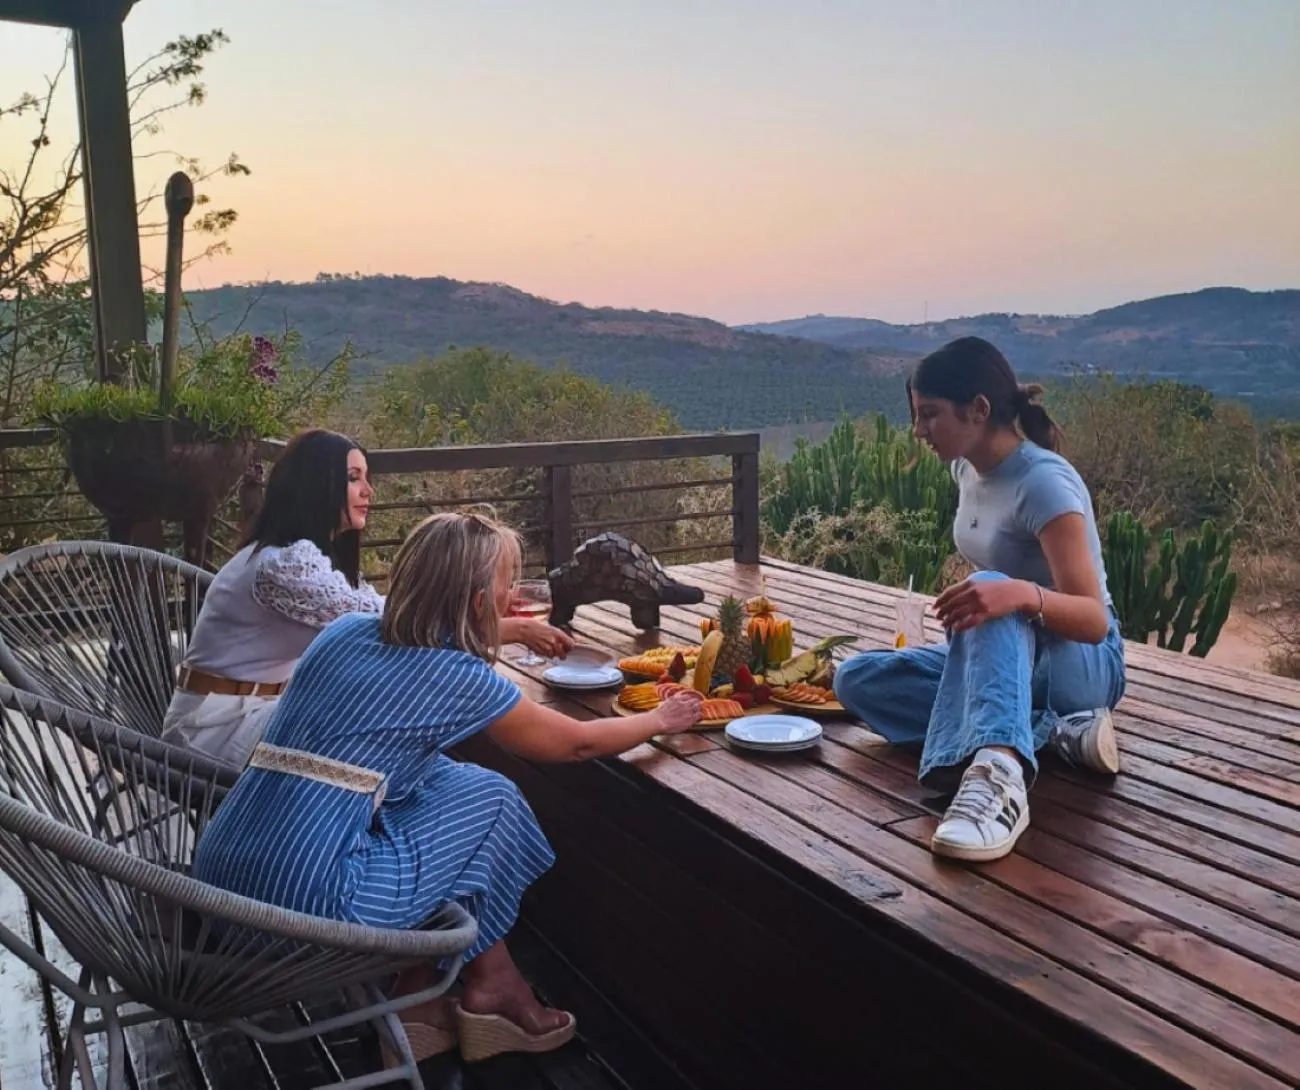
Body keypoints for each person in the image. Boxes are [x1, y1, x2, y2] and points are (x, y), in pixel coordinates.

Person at [190, 510, 705, 1063]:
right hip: (310, 912)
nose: (513, 598)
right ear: (481, 602)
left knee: (440, 781)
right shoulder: (457, 677)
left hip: (221, 884)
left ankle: (423, 1000)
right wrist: (660, 720)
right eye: (507, 586)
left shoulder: (341, 634)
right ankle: (490, 992)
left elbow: (412, 663)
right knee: (492, 799)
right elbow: (573, 744)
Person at [833, 337, 1125, 864]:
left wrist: (1017, 593)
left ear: (979, 409)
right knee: (858, 681)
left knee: (996, 597)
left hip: (1082, 661)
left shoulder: (1044, 484)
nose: (918, 430)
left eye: (929, 415)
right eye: (915, 414)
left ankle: (999, 781)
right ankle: (1053, 732)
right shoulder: (965, 467)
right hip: (1010, 654)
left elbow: (1094, 620)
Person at [162, 429, 569, 768]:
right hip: (213, 731)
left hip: (253, 712)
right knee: (387, 734)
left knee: (389, 720)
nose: (369, 490)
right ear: (318, 484)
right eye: (355, 478)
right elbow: (393, 625)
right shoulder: (285, 564)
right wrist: (504, 629)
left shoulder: (310, 557)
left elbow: (385, 616)